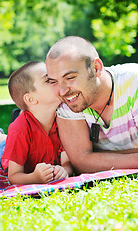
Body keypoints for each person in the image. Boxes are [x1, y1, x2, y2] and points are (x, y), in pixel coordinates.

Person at [46, 36, 138, 174]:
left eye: (70, 77)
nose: (62, 91)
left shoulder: (134, 83)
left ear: (96, 68)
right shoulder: (68, 100)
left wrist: (97, 157)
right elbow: (81, 162)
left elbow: (85, 159)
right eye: (53, 81)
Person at [0, 61, 73, 185]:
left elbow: (67, 163)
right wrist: (34, 178)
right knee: (3, 147)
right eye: (48, 80)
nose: (56, 80)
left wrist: (64, 170)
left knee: (11, 141)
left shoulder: (65, 118)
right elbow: (13, 176)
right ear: (31, 99)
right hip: (18, 162)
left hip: (26, 144)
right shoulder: (19, 129)